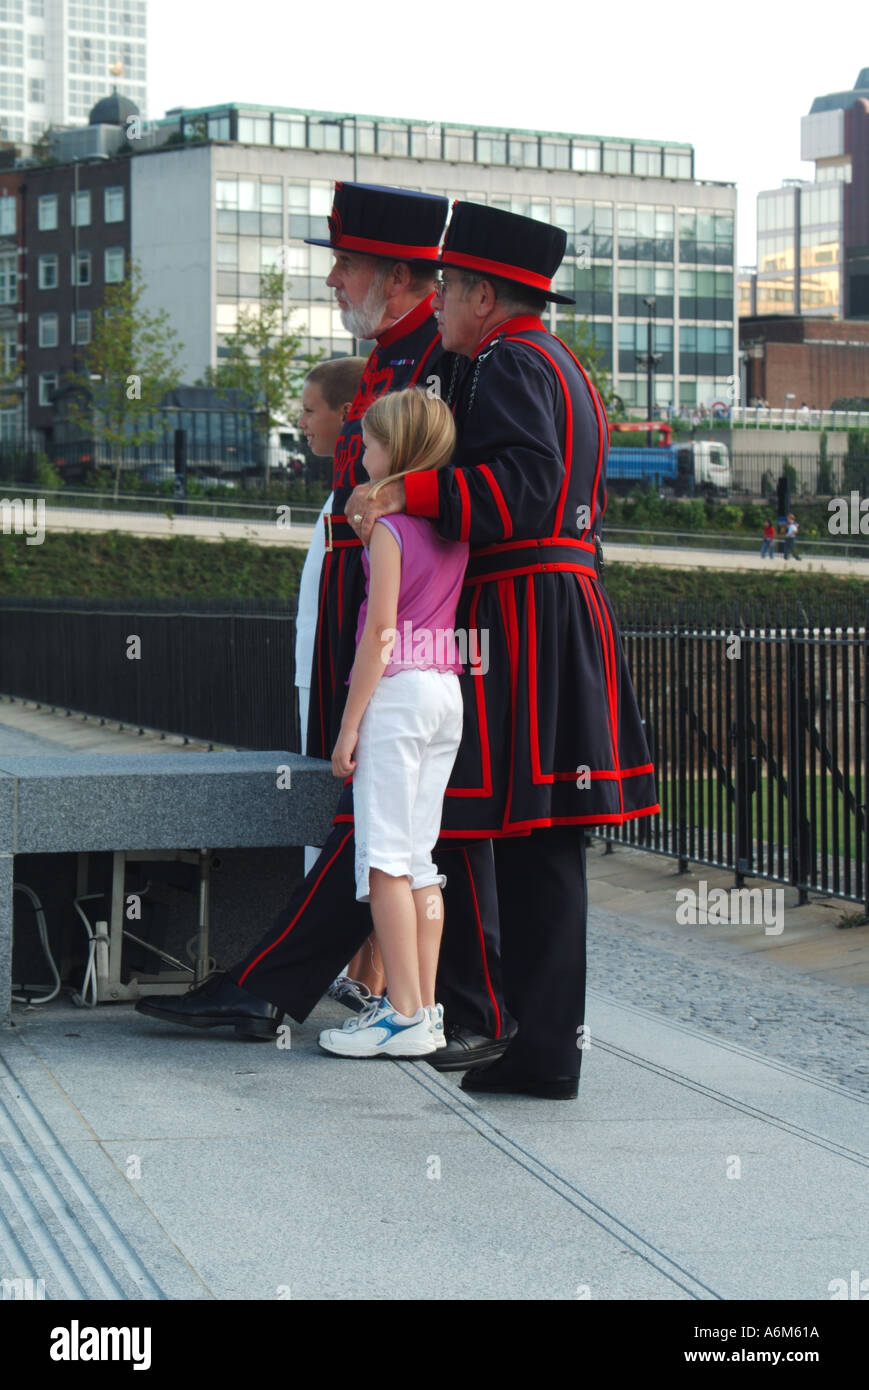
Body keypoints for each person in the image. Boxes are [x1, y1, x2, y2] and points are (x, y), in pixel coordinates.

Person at [136, 184, 513, 1070]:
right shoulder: (394, 355)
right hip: (400, 649)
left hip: (401, 649)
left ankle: (376, 999)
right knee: (393, 844)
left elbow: (454, 495)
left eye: (344, 264)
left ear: (392, 274)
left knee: (388, 844)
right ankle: (388, 998)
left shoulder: (434, 362)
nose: (334, 279)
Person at [349, 201, 659, 1098]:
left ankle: (536, 1049)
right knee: (539, 843)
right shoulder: (555, 361)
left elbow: (519, 489)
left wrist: (410, 491)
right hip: (560, 603)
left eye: (447, 288)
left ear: (485, 295)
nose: (437, 303)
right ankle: (536, 1043)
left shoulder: (510, 362)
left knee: (529, 841)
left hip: (523, 612)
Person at [319, 389, 467, 1058]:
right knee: (420, 862)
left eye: (372, 443)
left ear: (395, 450)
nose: (364, 452)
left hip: (399, 692)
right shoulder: (446, 525)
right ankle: (424, 1009)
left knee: (382, 861)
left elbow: (380, 631)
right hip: (444, 690)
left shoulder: (387, 530)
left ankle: (402, 1013)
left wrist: (349, 726)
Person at [293, 355, 385, 1008]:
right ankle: (352, 969)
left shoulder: (362, 508)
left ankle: (371, 976)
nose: (300, 422)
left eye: (308, 409)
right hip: (320, 674)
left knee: (373, 834)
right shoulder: (337, 499)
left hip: (352, 683)